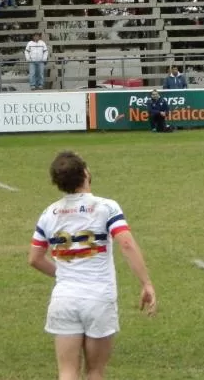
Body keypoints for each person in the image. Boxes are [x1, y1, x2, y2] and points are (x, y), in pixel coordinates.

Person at [28, 151, 156, 380]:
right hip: (99, 298)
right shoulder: (106, 207)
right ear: (85, 173)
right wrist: (146, 283)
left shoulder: (49, 214)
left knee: (67, 372)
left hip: (64, 299)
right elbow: (126, 243)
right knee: (95, 372)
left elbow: (35, 259)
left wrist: (65, 275)